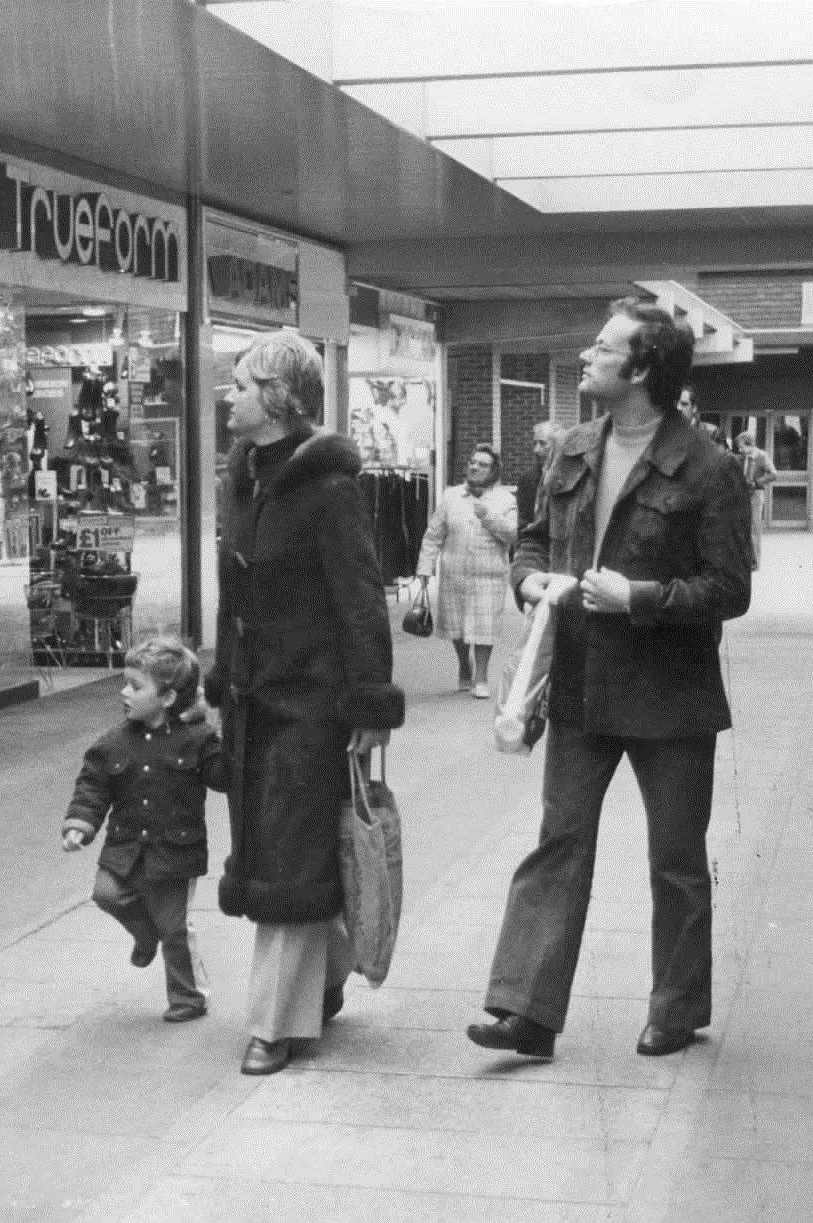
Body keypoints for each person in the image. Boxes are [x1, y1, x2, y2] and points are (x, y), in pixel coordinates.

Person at [465, 297, 751, 1061]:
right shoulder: (569, 449)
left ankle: (677, 1008)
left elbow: (731, 589)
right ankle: (524, 1010)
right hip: (582, 686)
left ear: (644, 367)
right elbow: (530, 544)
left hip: (672, 695)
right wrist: (530, 583)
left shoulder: (710, 467)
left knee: (677, 860)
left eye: (604, 345)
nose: (588, 353)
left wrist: (642, 598)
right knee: (558, 842)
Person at [207, 329, 405, 1076]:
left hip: (313, 701)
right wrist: (224, 678)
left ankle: (272, 1024)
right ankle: (322, 978)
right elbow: (232, 599)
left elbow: (361, 601)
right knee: (280, 847)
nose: (232, 394)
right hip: (253, 700)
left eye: (244, 384)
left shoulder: (329, 490)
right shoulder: (244, 477)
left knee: (286, 857)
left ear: (281, 400)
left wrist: (367, 708)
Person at [62, 637, 226, 1022]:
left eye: (135, 686)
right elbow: (93, 788)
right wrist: (80, 825)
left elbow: (224, 777)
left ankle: (187, 998)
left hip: (175, 851)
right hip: (126, 846)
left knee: (176, 929)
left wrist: (218, 730)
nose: (125, 692)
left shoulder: (198, 739)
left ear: (167, 698)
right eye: (126, 682)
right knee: (106, 894)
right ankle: (144, 934)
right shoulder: (112, 743)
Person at [418, 444, 518, 698]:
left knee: (484, 628)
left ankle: (482, 677)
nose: (474, 467)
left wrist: (488, 517)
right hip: (455, 572)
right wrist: (425, 568)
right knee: (457, 627)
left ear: (494, 471)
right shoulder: (451, 496)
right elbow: (433, 535)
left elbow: (512, 534)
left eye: (482, 464)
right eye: (472, 462)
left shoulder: (506, 499)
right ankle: (464, 664)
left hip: (489, 574)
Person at [735, 430, 775, 570]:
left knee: (755, 528)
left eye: (741, 446)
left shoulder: (762, 456)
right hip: (744, 494)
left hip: (756, 495)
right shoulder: (743, 457)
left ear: (750, 444)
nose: (740, 449)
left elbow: (773, 474)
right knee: (744, 527)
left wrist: (757, 483)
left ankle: (755, 561)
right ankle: (747, 558)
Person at [515, 421, 559, 534]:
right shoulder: (527, 479)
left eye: (542, 444)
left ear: (558, 446)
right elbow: (520, 518)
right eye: (534, 443)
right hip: (534, 544)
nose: (536, 450)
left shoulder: (570, 477)